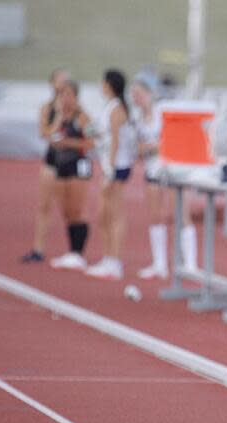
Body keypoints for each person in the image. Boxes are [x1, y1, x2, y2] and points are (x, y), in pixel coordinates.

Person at [130, 74, 198, 279]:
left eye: (140, 94)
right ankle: (159, 264)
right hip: (153, 170)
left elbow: (177, 138)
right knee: (155, 215)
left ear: (149, 94)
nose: (136, 98)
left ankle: (191, 264)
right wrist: (147, 148)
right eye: (134, 95)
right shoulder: (138, 120)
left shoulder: (164, 113)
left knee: (182, 213)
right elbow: (138, 149)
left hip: (174, 170)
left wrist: (157, 146)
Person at [86, 69, 137, 280]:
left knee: (114, 214)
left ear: (109, 84)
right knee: (104, 215)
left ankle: (115, 261)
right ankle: (108, 258)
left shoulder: (117, 109)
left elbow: (116, 141)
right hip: (109, 164)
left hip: (117, 166)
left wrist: (110, 171)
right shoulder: (109, 107)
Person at [21, 68, 71, 263]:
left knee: (69, 208)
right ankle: (38, 248)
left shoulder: (75, 108)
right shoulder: (47, 109)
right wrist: (59, 116)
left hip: (70, 162)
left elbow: (85, 130)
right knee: (44, 206)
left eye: (66, 80)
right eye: (60, 80)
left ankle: (73, 250)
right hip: (51, 161)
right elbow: (45, 134)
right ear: (52, 84)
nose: (63, 84)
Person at [47, 80, 95, 270]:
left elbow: (91, 142)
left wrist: (68, 143)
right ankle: (71, 251)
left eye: (68, 95)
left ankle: (78, 252)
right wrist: (59, 116)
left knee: (77, 209)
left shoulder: (83, 117)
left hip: (79, 165)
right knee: (66, 210)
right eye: (62, 95)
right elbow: (50, 137)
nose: (65, 99)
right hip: (61, 165)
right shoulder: (59, 117)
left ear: (75, 96)